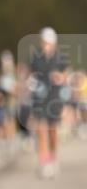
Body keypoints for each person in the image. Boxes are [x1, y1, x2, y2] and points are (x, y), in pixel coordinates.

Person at [29, 27, 68, 179]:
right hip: (39, 99)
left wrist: (60, 77)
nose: (46, 45)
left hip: (54, 98)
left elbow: (66, 75)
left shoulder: (60, 58)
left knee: (53, 131)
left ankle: (53, 157)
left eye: (49, 42)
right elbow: (30, 75)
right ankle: (44, 162)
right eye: (44, 42)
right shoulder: (36, 58)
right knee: (41, 130)